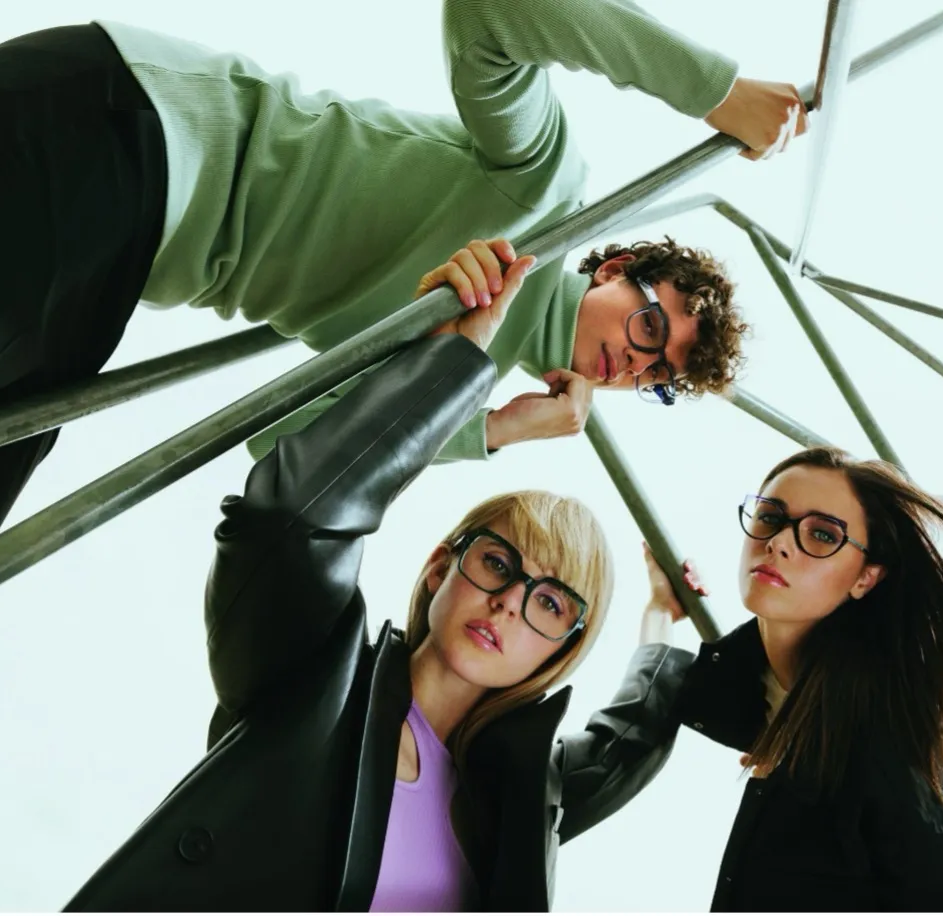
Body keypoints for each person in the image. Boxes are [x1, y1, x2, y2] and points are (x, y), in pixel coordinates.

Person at [0, 1, 807, 647]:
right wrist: (716, 92)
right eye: (652, 327)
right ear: (615, 268)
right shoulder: (546, 199)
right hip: (115, 127)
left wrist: (488, 426)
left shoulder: (463, 364)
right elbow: (496, 11)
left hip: (109, 263)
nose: (635, 364)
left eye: (660, 378)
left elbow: (286, 448)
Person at [60, 238, 697, 912]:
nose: (510, 603)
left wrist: (661, 617)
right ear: (437, 568)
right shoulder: (317, 674)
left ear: (566, 645)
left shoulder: (515, 797)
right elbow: (293, 516)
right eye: (496, 564)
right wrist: (448, 369)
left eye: (549, 603)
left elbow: (627, 744)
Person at [636, 446, 943, 911]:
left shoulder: (906, 717)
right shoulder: (753, 689)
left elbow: (925, 875)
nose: (780, 543)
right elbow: (643, 710)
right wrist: (659, 611)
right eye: (770, 517)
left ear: (866, 578)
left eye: (823, 534)